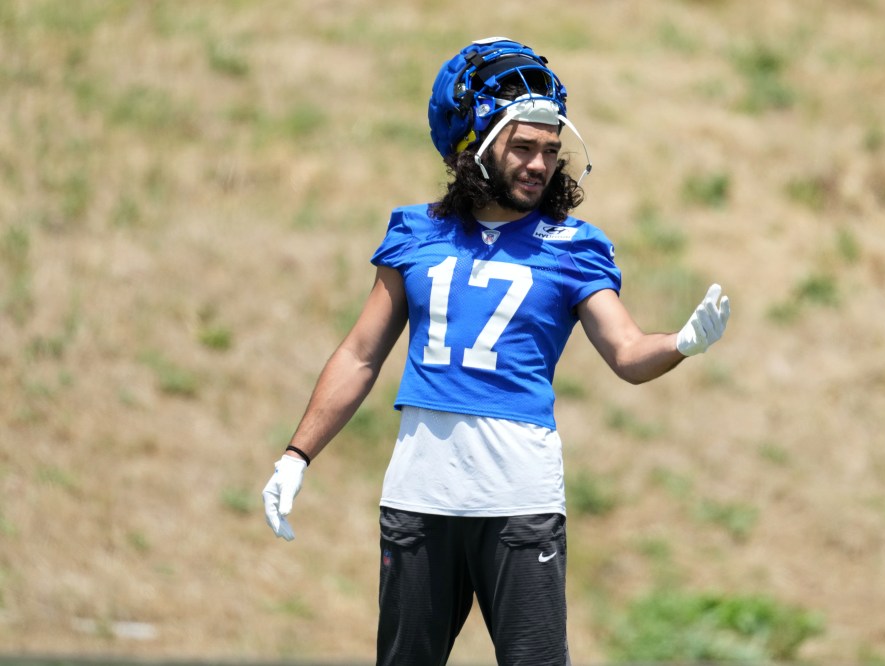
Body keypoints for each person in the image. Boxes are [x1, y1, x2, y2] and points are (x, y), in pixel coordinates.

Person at [262, 36, 731, 666]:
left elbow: (626, 352)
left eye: (551, 151)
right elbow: (360, 356)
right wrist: (296, 456)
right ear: (474, 147)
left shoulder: (573, 245)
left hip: (520, 502)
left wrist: (680, 344)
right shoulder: (415, 231)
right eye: (523, 147)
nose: (540, 164)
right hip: (419, 498)